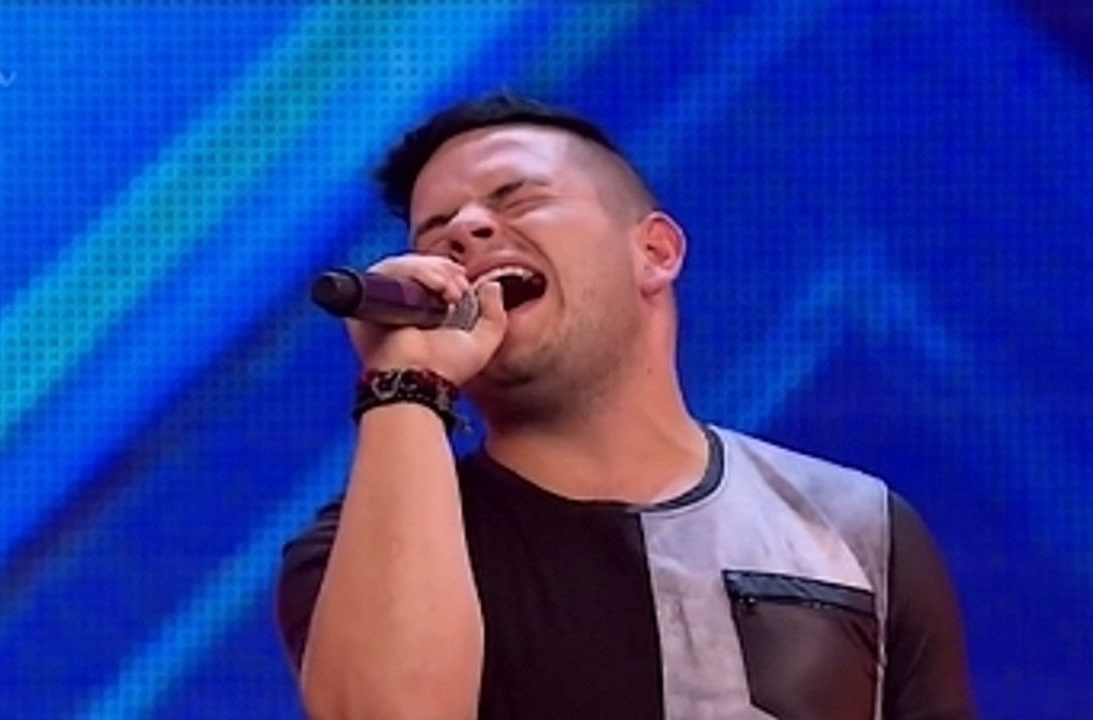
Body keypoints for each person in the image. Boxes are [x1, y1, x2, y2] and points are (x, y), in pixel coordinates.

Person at [275, 92, 976, 720]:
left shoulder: (856, 527)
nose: (466, 230)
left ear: (656, 252)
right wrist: (406, 385)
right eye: (436, 235)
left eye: (515, 198)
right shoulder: (359, 547)